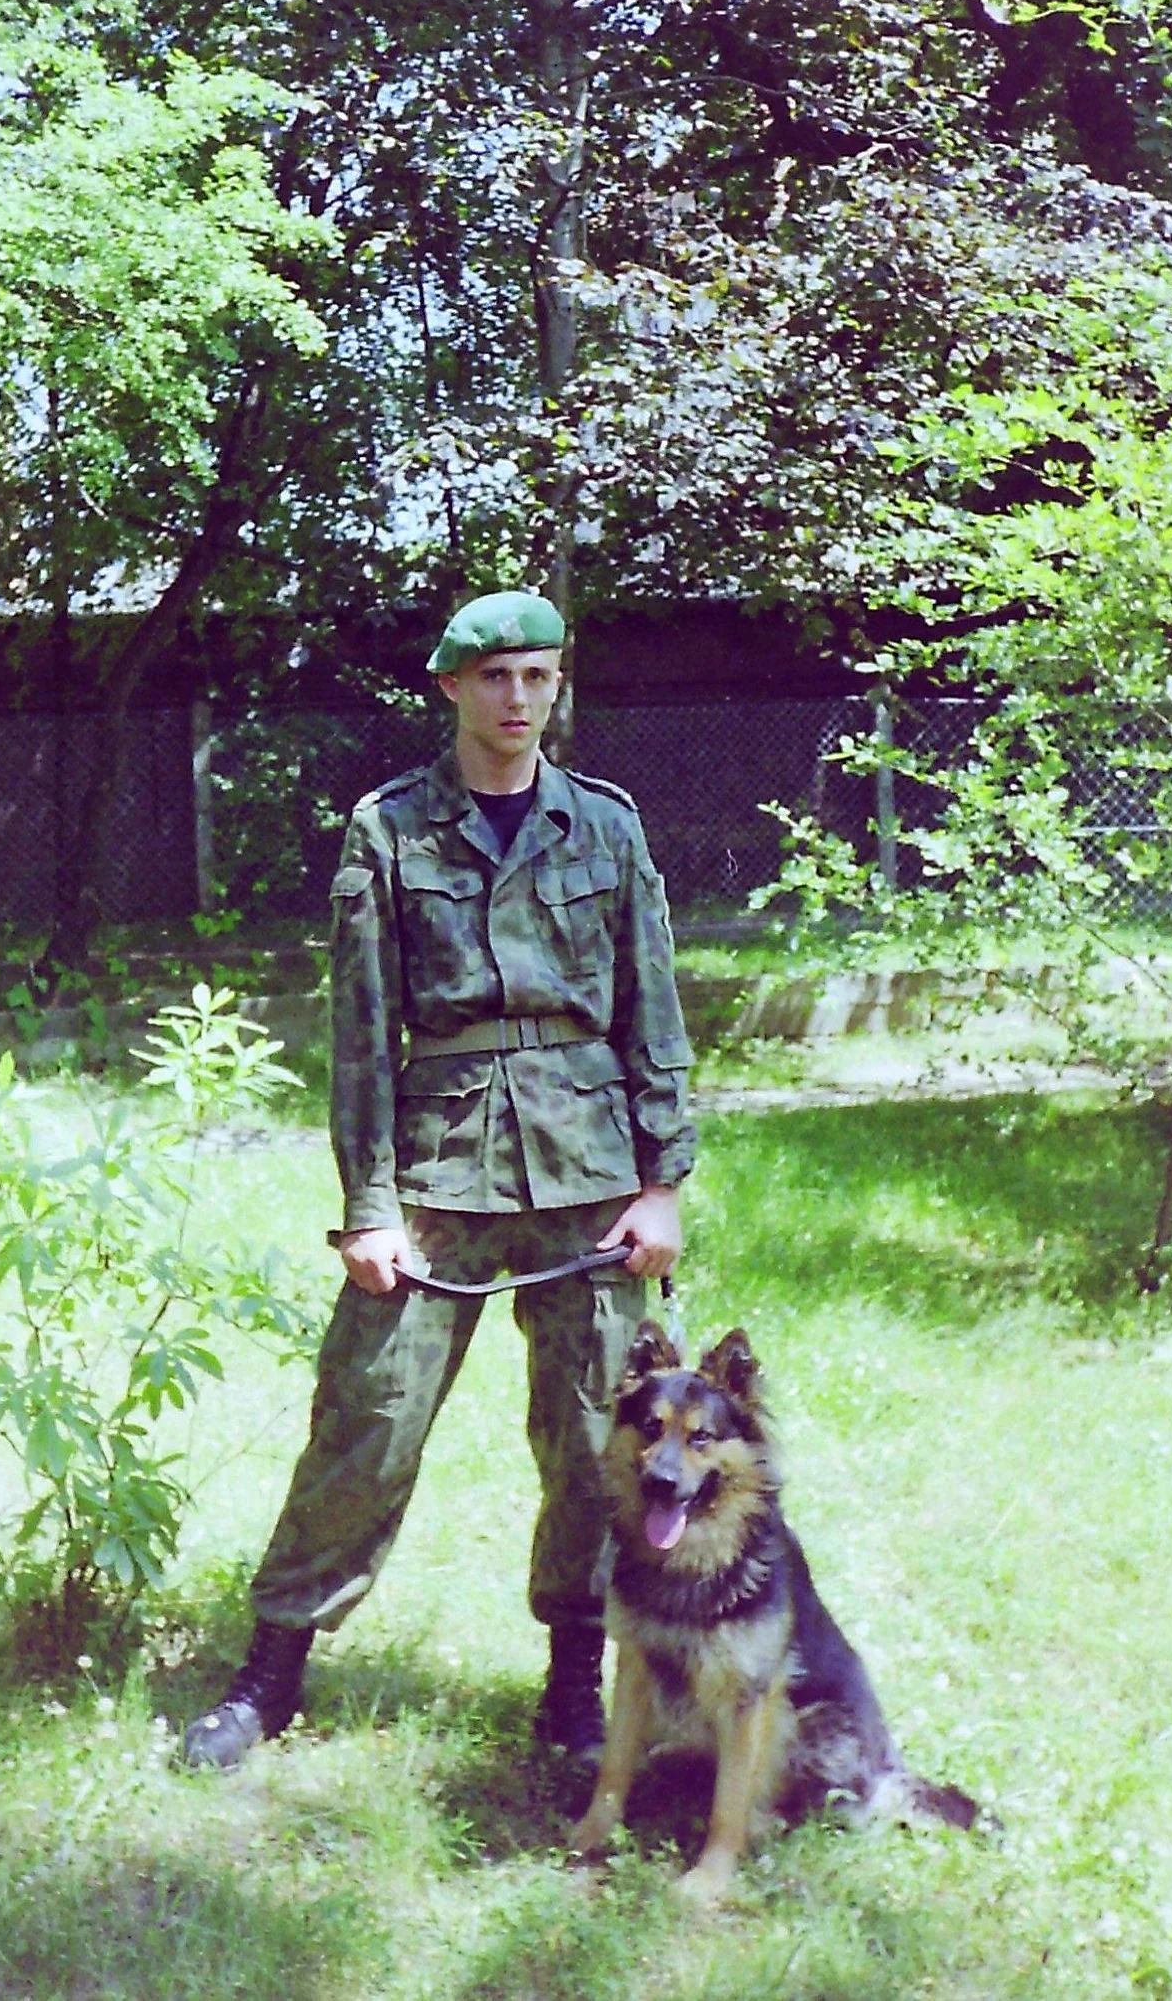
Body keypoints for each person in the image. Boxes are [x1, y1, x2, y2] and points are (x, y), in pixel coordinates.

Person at [183, 588, 696, 1771]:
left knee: (594, 1439)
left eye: (537, 675)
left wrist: (661, 1183)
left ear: (557, 685)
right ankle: (270, 1675)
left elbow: (653, 1007)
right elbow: (362, 1031)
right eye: (495, 676)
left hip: (588, 1173)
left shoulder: (605, 824)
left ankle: (573, 1690)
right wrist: (368, 1207)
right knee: (367, 1417)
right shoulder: (392, 828)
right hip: (438, 1167)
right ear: (452, 686)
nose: (517, 698)